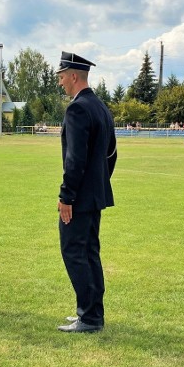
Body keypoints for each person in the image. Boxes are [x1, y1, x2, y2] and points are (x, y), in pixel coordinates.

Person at [56, 52, 117, 334]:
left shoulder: (78, 108)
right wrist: (99, 182)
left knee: (74, 252)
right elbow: (112, 154)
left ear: (73, 76)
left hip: (79, 198)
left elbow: (75, 159)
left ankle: (89, 317)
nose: (60, 83)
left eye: (61, 77)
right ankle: (92, 312)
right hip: (94, 195)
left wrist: (67, 196)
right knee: (90, 252)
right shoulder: (101, 107)